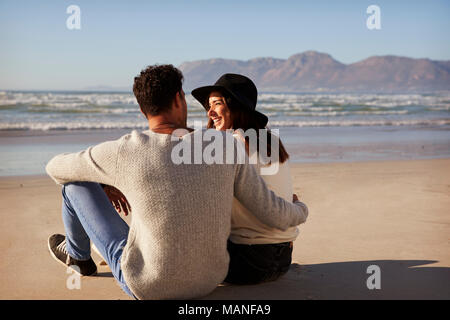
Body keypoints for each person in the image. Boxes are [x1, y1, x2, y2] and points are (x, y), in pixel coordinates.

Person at [46, 65, 309, 300]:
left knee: (75, 186)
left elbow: (55, 167)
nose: (209, 111)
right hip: (232, 272)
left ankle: (78, 257)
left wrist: (105, 180)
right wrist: (298, 209)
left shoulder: (128, 149)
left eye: (216, 103)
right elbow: (269, 208)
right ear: (179, 99)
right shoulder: (254, 145)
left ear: (141, 108)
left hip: (167, 281)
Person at [192, 73, 306, 284]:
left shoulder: (231, 144)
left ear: (235, 106)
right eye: (209, 105)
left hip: (245, 263)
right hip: (282, 260)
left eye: (216, 104)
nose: (210, 112)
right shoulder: (272, 141)